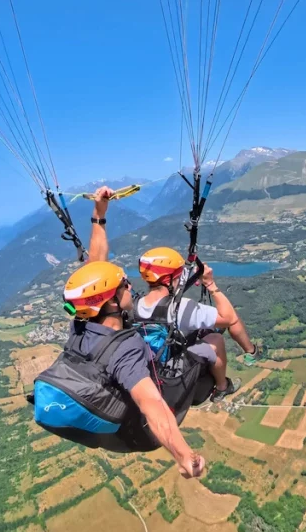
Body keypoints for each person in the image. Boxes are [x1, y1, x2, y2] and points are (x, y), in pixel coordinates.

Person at [37, 187, 206, 477]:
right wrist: (183, 455)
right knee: (199, 351)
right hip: (136, 434)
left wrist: (98, 214)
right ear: (111, 301)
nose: (130, 286)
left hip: (110, 430)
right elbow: (151, 403)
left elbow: (96, 265)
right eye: (124, 284)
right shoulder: (124, 350)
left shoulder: (81, 323)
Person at [134, 246, 259, 402]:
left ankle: (250, 353)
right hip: (170, 373)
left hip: (149, 369)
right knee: (216, 339)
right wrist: (210, 284)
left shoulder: (133, 305)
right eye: (179, 273)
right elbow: (229, 318)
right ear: (169, 278)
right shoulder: (182, 308)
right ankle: (222, 387)